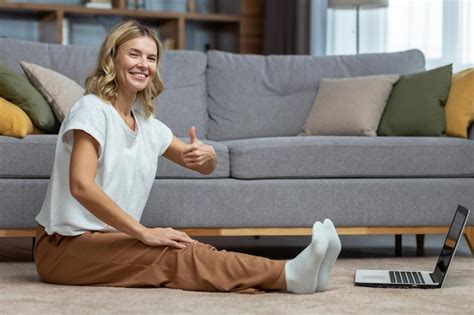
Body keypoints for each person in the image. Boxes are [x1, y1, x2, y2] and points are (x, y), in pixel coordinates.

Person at [33, 20, 341, 294]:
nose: (144, 64)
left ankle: (296, 275)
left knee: (185, 247)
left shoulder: (148, 125)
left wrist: (206, 156)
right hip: (64, 247)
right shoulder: (92, 109)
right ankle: (287, 274)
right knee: (173, 255)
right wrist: (143, 232)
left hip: (107, 240)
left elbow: (204, 166)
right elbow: (81, 186)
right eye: (134, 54)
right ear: (112, 58)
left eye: (151, 57)